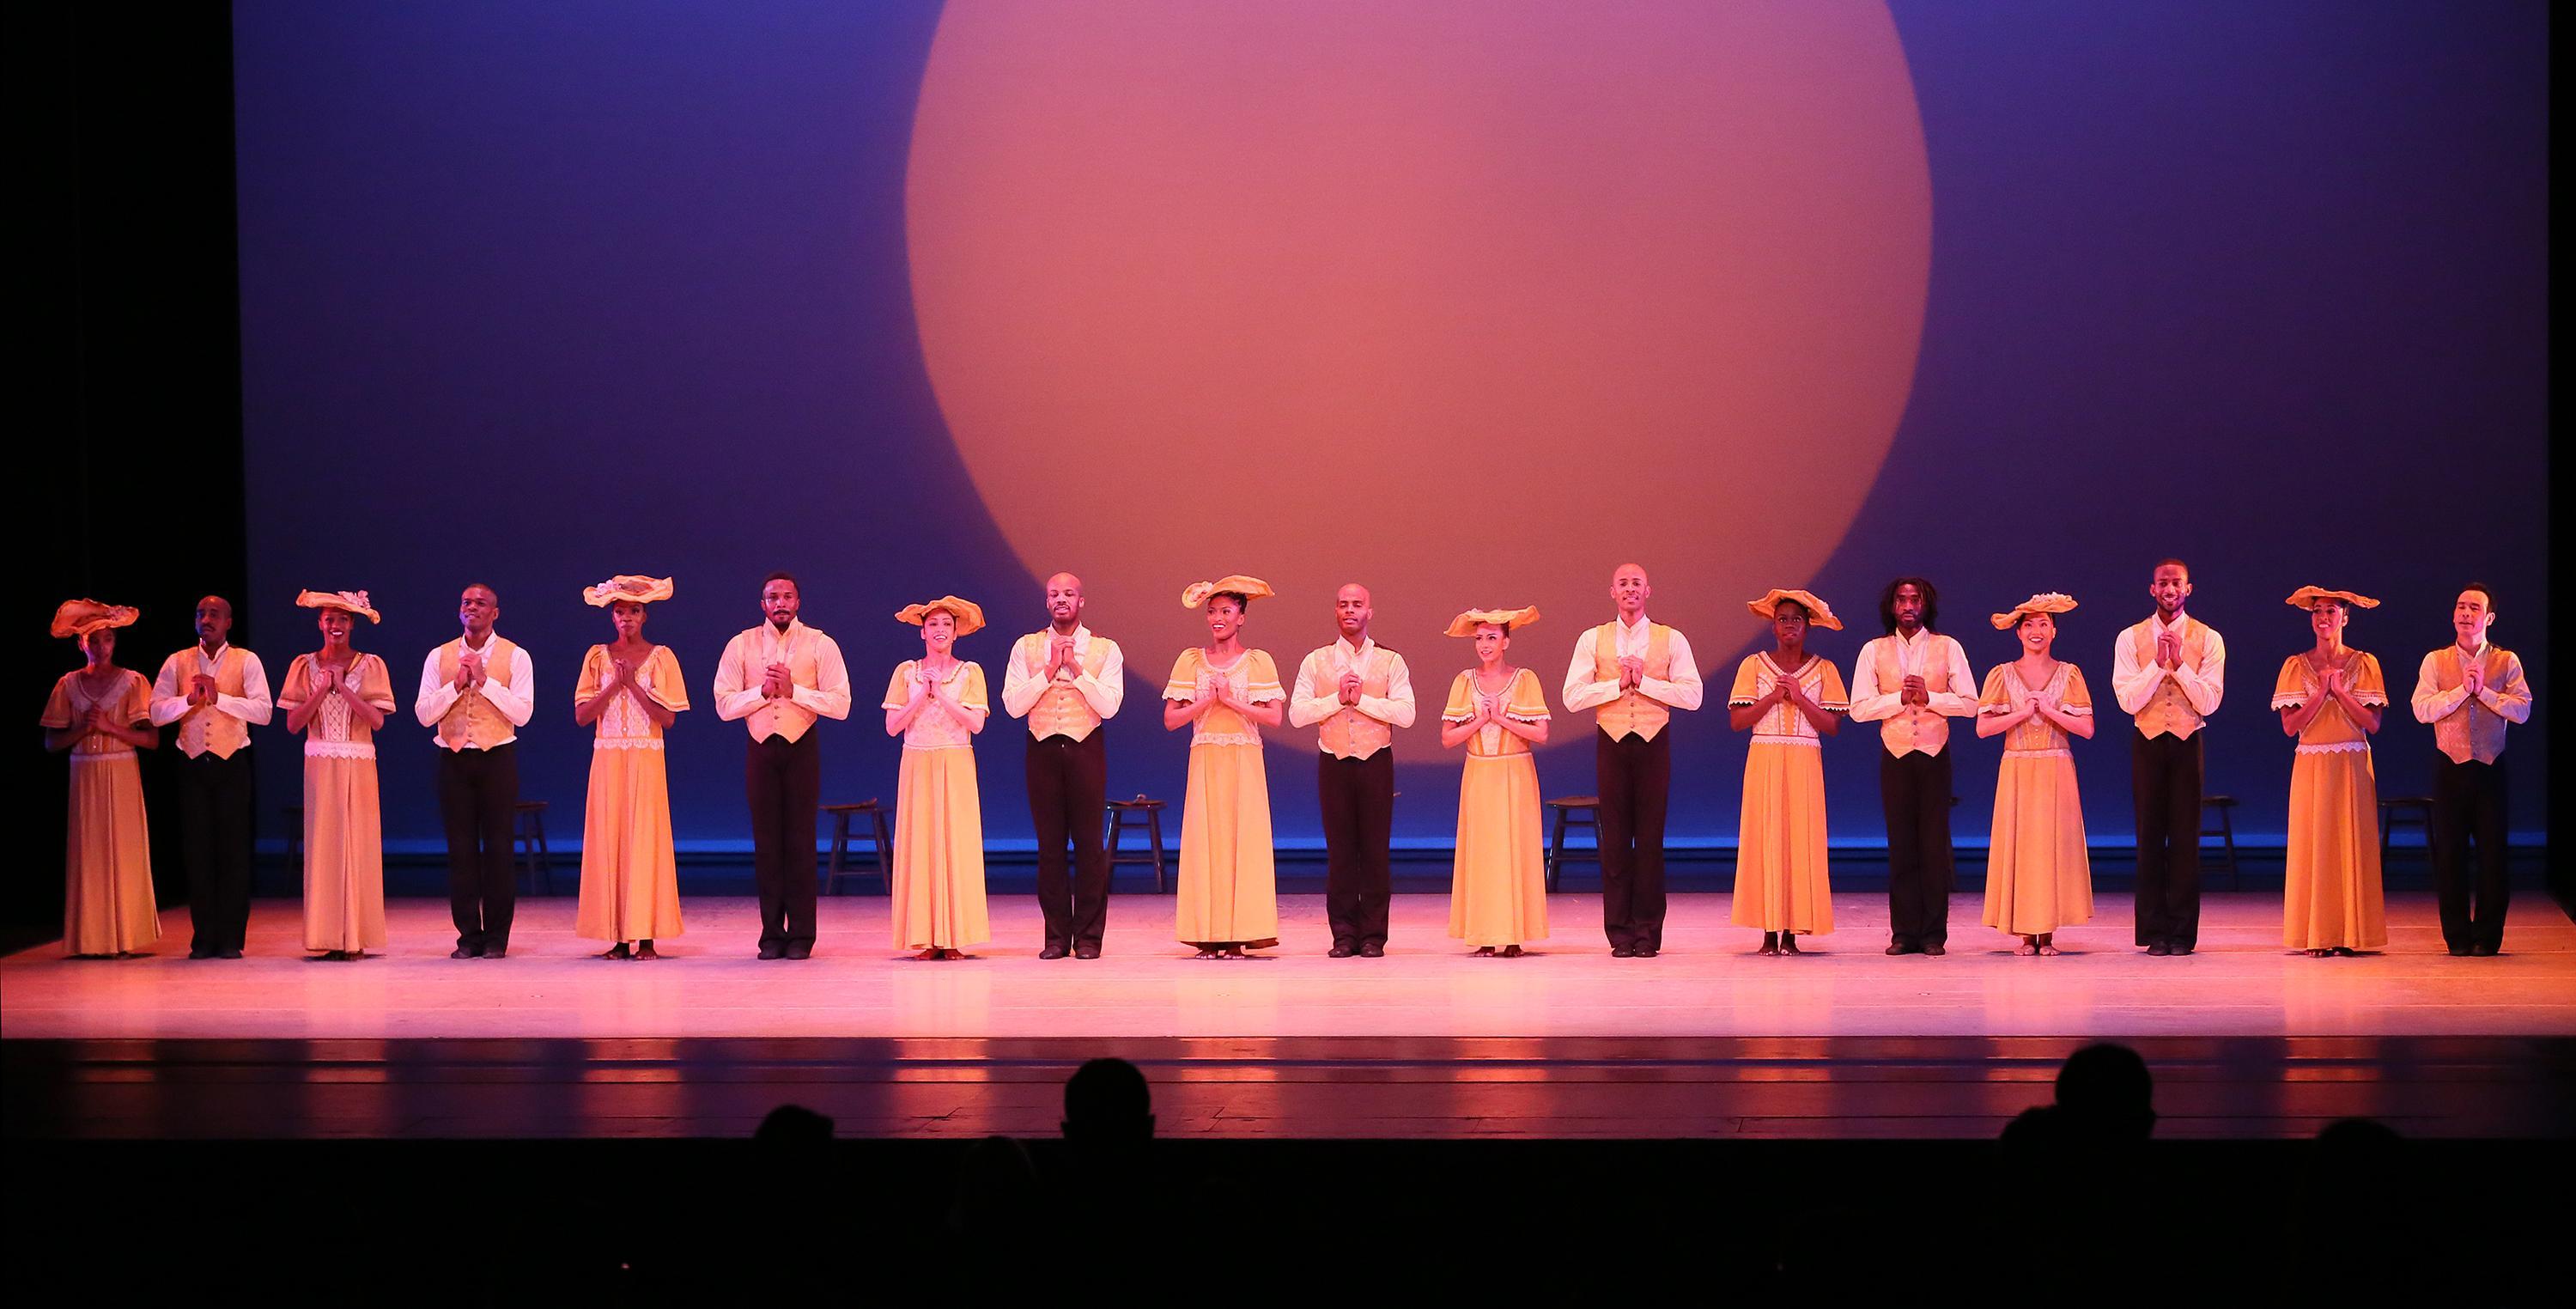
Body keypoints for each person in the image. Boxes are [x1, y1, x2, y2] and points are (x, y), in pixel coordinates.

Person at [1560, 563, 1704, 958]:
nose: (1629, 590)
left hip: (1654, 742)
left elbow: (1693, 696)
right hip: (1613, 741)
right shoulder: (1593, 638)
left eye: (1636, 583)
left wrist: (1646, 682)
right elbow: (1571, 697)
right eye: (1622, 584)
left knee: (1651, 841)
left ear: (1648, 591)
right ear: (1612, 592)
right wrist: (1617, 685)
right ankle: (1620, 934)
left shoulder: (1671, 638)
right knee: (1617, 843)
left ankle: (1648, 934)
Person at [713, 571, 851, 960]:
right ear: (763, 604)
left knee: (800, 842)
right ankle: (771, 933)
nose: (780, 603)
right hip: (760, 748)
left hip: (801, 745)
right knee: (768, 844)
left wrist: (795, 691)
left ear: (798, 602)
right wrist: (761, 692)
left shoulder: (820, 644)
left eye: (787, 596)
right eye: (773, 597)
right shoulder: (741, 645)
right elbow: (723, 704)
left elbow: (841, 704)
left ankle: (803, 935)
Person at [1848, 577, 1978, 956]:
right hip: (1897, 753)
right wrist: (1897, 700)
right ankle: (1903, 932)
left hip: (1935, 754)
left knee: (1934, 845)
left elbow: (1970, 703)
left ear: (1926, 605)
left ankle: (1934, 933)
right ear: (1892, 607)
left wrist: (1930, 697)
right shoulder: (1874, 650)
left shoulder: (1947, 647)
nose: (1908, 605)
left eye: (1915, 599)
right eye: (1901, 599)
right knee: (1902, 844)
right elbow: (1859, 709)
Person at [1289, 583, 1418, 958]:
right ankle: (1343, 934)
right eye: (1343, 605)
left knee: (1375, 851)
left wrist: (1363, 701)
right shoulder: (1316, 661)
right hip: (1334, 761)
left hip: (1376, 761)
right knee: (1341, 852)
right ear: (1335, 612)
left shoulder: (1391, 661)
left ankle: (1373, 935)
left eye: (1357, 604)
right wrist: (1336, 699)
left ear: (1369, 612)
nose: (1350, 610)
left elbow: (1406, 714)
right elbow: (1298, 713)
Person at [999, 573, 1124, 959]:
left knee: (1089, 846)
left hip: (1086, 747)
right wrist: (1050, 669)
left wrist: (1078, 669)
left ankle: (1088, 937)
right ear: (1047, 602)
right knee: (1050, 846)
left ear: (1081, 601)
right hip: (1042, 748)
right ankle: (1055, 937)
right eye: (1054, 594)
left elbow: (1109, 706)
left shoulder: (1106, 649)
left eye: (1068, 594)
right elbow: (1013, 704)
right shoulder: (1026, 647)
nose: (1061, 599)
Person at [1163, 576, 1286, 959]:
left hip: (1243, 759)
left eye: (1226, 611)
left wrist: (1231, 701)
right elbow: (1171, 719)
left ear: (1241, 617)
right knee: (1207, 841)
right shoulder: (1190, 659)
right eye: (1212, 612)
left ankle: (1239, 933)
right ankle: (1208, 933)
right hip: (1205, 758)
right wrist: (1206, 703)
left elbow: (1274, 717)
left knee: (1241, 841)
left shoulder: (1258, 660)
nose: (1218, 618)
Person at [2111, 558, 2227, 957]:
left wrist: (2180, 666)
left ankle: (2182, 933)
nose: (2170, 589)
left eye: (2177, 582)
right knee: (2149, 838)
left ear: (2188, 589)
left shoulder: (2209, 638)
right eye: (2163, 583)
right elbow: (2128, 700)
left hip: (2187, 740)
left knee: (2184, 840)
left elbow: (2210, 702)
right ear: (2152, 589)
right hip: (2147, 740)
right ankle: (2154, 932)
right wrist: (2158, 668)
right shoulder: (2130, 637)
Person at [2409, 585, 2531, 956]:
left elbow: (2523, 709)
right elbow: (2421, 709)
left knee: (2494, 856)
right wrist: (2462, 691)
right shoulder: (2436, 660)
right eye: (2460, 606)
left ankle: (2488, 938)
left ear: (2488, 618)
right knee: (2451, 856)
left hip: (2491, 769)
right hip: (2451, 766)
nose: (2465, 613)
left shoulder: (2506, 660)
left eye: (2473, 607)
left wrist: (2485, 694)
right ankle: (2458, 938)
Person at [413, 583, 533, 959]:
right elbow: (424, 714)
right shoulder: (439, 656)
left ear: (495, 612)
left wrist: (484, 681)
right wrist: (456, 685)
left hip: (497, 758)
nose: (473, 608)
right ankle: (468, 936)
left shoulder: (516, 656)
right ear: (459, 610)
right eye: (467, 602)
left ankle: (497, 936)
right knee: (461, 851)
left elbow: (523, 713)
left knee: (498, 849)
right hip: (454, 759)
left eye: (481, 603)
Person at [148, 595, 271, 959]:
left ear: (229, 621)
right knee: (197, 852)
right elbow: (154, 713)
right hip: (191, 763)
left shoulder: (246, 660)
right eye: (201, 613)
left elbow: (263, 712)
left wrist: (221, 699)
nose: (206, 619)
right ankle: (203, 937)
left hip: (231, 763)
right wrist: (188, 701)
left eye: (214, 614)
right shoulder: (177, 661)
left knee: (232, 853)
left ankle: (230, 938)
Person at [574, 576, 688, 959]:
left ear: (645, 615)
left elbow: (668, 719)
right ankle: (619, 937)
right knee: (613, 840)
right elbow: (582, 715)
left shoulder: (662, 657)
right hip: (608, 759)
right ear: (613, 617)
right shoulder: (596, 657)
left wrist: (634, 685)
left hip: (647, 757)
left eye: (633, 611)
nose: (626, 617)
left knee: (646, 841)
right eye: (619, 611)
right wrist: (612, 686)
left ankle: (648, 936)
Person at [1728, 588, 1847, 954]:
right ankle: (1767, 931)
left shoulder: (1824, 668)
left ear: (1807, 626)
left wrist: (1799, 696)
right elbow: (1737, 721)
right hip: (1764, 757)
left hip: (1803, 760)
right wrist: (1771, 697)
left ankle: (1793, 932)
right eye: (1783, 619)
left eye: (1797, 619)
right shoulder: (1753, 665)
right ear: (1773, 627)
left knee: (1800, 839)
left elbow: (1831, 725)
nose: (1790, 625)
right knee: (1765, 838)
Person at [278, 589, 395, 960]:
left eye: (342, 619)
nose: (335, 625)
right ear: (320, 623)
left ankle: (356, 936)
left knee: (357, 844)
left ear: (352, 624)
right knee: (324, 847)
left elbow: (376, 720)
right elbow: (294, 724)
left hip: (358, 762)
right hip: (320, 763)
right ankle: (327, 933)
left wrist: (343, 686)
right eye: (329, 618)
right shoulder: (303, 665)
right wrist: (321, 689)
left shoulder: (371, 665)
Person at [1977, 594, 2095, 955]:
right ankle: (2027, 933)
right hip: (2017, 767)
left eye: (2043, 624)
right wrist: (2022, 712)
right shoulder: (2001, 674)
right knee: (2023, 846)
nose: (2036, 631)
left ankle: (2048, 934)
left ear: (2054, 631)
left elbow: (2087, 728)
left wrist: (2050, 710)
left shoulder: (2070, 673)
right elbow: (1983, 728)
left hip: (2056, 767)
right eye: (2028, 625)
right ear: (2018, 633)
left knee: (2052, 846)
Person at [40, 600, 160, 958]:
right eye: (93, 641)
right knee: (89, 852)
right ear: (82, 644)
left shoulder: (133, 681)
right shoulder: (68, 684)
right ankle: (92, 938)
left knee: (123, 849)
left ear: (114, 642)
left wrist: (110, 726)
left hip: (121, 769)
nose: (101, 646)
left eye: (107, 639)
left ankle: (125, 935)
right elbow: (51, 743)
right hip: (86, 772)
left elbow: (152, 740)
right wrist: (81, 729)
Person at [2274, 587, 2388, 958]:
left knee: (2350, 841)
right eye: (2318, 611)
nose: (2324, 617)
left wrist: (2340, 692)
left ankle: (2351, 933)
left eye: (2331, 611)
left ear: (2345, 617)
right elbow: (2291, 727)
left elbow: (2372, 722)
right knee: (2316, 842)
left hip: (2352, 762)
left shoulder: (2365, 662)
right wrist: (2321, 693)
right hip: (2312, 761)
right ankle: (2317, 933)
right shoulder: (2295, 664)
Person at [884, 596, 992, 960]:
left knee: (955, 844)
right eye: (933, 625)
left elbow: (976, 723)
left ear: (956, 632)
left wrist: (941, 694)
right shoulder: (906, 672)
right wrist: (921, 695)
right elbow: (892, 726)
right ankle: (925, 938)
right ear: (923, 633)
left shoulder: (970, 672)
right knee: (921, 844)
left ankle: (954, 937)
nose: (940, 630)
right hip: (917, 763)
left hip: (955, 762)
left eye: (947, 624)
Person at [1439, 606, 1550, 957]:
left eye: (1491, 638)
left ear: (1505, 641)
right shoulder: (1463, 681)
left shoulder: (1526, 679)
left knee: (1514, 849)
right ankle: (1485, 934)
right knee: (1484, 853)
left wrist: (1500, 717)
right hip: (1480, 773)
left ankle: (1514, 934)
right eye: (1479, 639)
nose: (1484, 645)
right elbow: (1447, 738)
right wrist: (1479, 720)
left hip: (1514, 773)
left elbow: (1541, 733)